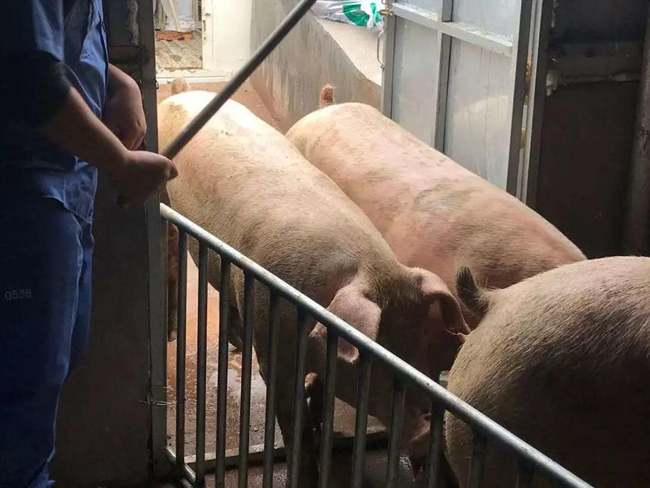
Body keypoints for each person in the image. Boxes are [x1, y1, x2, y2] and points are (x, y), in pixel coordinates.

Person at [0, 2, 178, 486]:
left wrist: (118, 82)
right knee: (21, 393)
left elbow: (50, 41)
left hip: (64, 191)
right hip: (23, 197)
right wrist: (120, 162)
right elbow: (27, 71)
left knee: (54, 365)